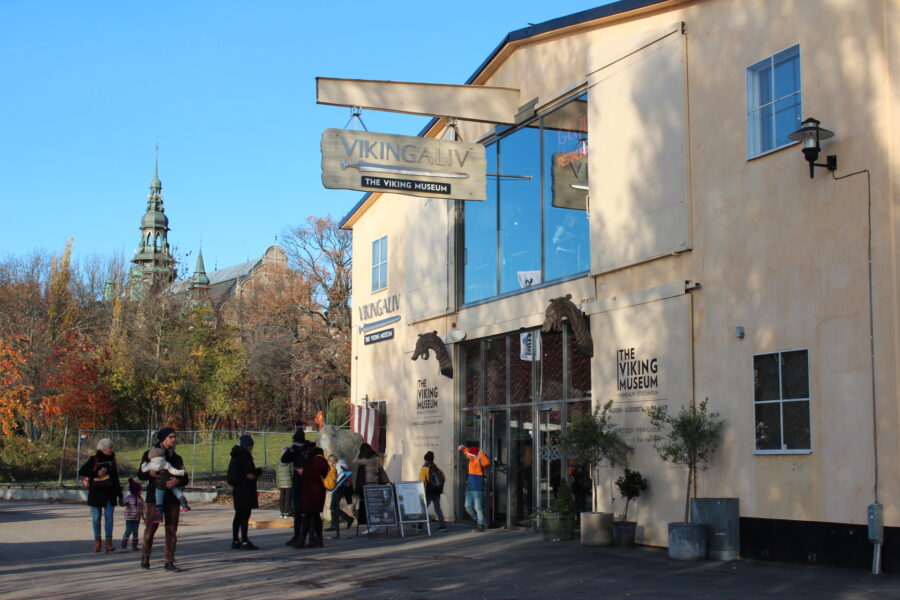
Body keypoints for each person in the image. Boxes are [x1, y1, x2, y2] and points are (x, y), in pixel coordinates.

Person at [138, 427, 189, 572]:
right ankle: (145, 556)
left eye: (174, 437)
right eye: (171, 437)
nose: (174, 439)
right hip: (155, 497)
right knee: (151, 527)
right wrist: (151, 474)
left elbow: (185, 477)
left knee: (171, 530)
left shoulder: (176, 458)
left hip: (172, 499)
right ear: (163, 439)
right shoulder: (150, 454)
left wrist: (177, 482)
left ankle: (169, 561)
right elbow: (140, 474)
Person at [78, 438, 123, 553]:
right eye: (109, 447)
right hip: (96, 493)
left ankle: (109, 542)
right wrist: (96, 473)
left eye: (112, 447)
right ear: (103, 449)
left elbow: (116, 478)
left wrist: (120, 495)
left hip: (110, 492)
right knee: (96, 518)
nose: (111, 449)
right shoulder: (94, 459)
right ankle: (97, 541)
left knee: (109, 517)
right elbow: (81, 471)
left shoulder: (112, 460)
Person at [227, 434, 264, 550]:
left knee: (238, 515)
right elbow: (250, 475)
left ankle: (235, 540)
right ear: (248, 446)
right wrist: (260, 470)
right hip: (245, 490)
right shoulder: (245, 457)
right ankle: (244, 540)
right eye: (251, 446)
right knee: (244, 515)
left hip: (237, 489)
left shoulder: (235, 457)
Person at [280, 428, 315, 548]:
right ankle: (298, 535)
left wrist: (293, 448)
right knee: (299, 511)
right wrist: (292, 449)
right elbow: (284, 459)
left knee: (306, 511)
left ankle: (309, 536)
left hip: (305, 483)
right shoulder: (297, 450)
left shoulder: (309, 450)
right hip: (300, 484)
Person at [141, 447, 190, 522]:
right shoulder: (165, 462)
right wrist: (182, 472)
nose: (173, 439)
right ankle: (184, 504)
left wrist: (145, 465)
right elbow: (174, 471)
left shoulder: (150, 463)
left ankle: (159, 517)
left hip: (159, 485)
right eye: (171, 437)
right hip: (168, 482)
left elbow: (143, 470)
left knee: (159, 499)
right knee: (176, 490)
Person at [297, 447, 330, 548]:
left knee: (307, 516)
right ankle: (319, 541)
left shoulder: (317, 460)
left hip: (311, 493)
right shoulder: (322, 460)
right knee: (316, 517)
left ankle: (301, 541)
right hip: (318, 491)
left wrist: (303, 472)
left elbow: (312, 474)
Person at [459, 444, 491, 532]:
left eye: (471, 455)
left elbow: (487, 462)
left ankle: (481, 524)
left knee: (478, 507)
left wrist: (480, 453)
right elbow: (467, 452)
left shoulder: (478, 460)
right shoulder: (471, 458)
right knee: (467, 506)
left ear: (475, 455)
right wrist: (463, 448)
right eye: (470, 455)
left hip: (478, 487)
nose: (469, 456)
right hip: (469, 487)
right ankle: (477, 519)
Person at [354, 442, 383, 535]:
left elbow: (355, 460)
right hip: (375, 483)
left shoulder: (368, 460)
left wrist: (358, 452)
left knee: (370, 506)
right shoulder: (375, 458)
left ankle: (373, 525)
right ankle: (375, 524)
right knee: (374, 505)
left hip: (369, 484)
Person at [418, 451, 447, 532]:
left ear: (425, 460)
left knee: (424, 508)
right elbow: (443, 478)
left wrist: (421, 492)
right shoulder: (437, 468)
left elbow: (421, 481)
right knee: (437, 508)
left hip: (428, 492)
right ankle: (443, 525)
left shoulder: (425, 469)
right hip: (437, 492)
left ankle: (420, 526)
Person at [324, 454, 354, 532]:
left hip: (339, 487)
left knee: (333, 507)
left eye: (328, 461)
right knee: (333, 507)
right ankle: (334, 525)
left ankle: (348, 519)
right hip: (341, 487)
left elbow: (340, 476)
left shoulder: (338, 466)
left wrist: (334, 482)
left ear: (331, 461)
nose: (328, 463)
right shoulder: (341, 463)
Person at [121, 478, 145, 550]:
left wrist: (144, 517)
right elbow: (122, 503)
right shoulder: (128, 498)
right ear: (135, 490)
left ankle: (134, 545)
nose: (141, 492)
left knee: (135, 531)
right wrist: (125, 503)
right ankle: (124, 541)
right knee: (128, 530)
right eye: (140, 490)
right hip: (129, 518)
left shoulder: (140, 499)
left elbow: (143, 509)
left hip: (137, 518)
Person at [275, 455, 294, 519]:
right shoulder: (290, 463)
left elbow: (277, 474)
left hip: (281, 483)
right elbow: (292, 473)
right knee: (288, 498)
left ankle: (282, 513)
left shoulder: (278, 463)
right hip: (288, 483)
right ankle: (287, 513)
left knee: (282, 497)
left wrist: (278, 483)